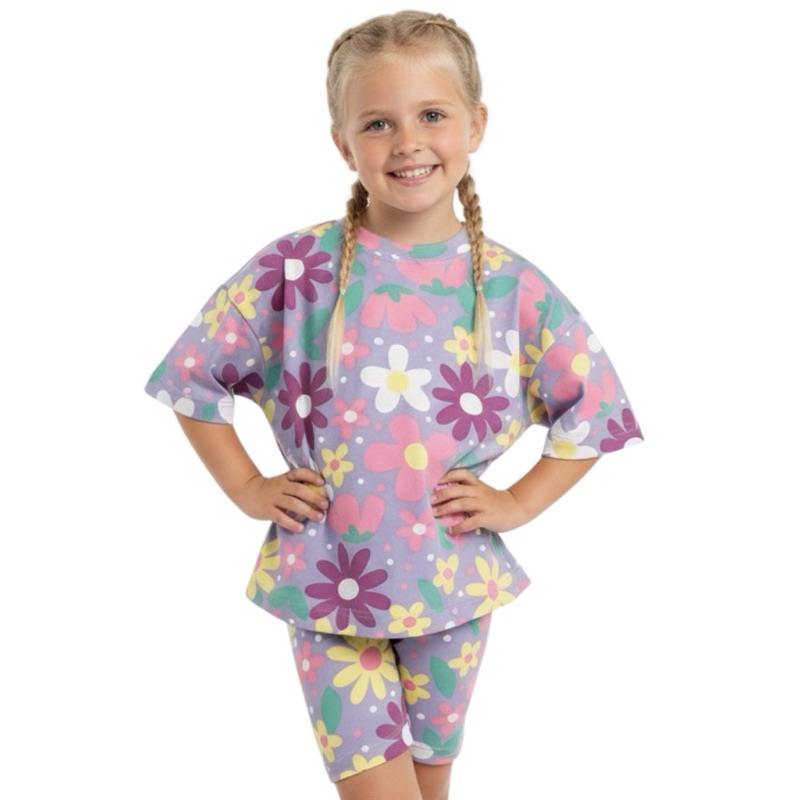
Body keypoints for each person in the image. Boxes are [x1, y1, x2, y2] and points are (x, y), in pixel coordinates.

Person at [145, 10, 643, 800]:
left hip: (452, 580)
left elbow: (596, 409)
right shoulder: (297, 270)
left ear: (476, 125)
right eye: (378, 123)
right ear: (344, 144)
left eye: (432, 115)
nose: (408, 142)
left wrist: (517, 502)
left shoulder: (510, 286)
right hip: (329, 578)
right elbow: (193, 376)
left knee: (430, 787)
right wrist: (246, 486)